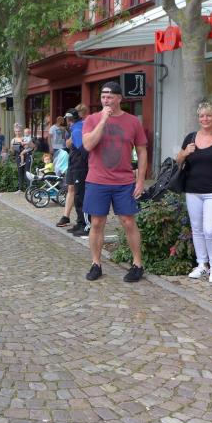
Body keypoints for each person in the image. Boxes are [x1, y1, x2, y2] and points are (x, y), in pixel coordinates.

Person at [82, 82, 147, 282]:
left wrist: (140, 180)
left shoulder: (133, 121)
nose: (106, 100)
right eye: (103, 97)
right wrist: (103, 120)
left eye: (110, 97)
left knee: (128, 222)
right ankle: (96, 264)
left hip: (124, 181)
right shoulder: (92, 119)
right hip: (97, 180)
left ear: (119, 98)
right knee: (97, 222)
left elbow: (142, 151)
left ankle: (137, 264)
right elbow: (88, 145)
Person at [175, 101, 212, 284]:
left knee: (211, 229)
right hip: (193, 190)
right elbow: (178, 161)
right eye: (201, 116)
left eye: (208, 115)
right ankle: (201, 264)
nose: (205, 119)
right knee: (197, 229)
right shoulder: (191, 137)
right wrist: (185, 153)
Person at [56, 106, 90, 234]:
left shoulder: (77, 129)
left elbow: (84, 150)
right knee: (77, 195)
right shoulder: (75, 128)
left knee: (80, 195)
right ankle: (80, 222)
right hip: (75, 164)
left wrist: (87, 164)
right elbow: (70, 144)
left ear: (70, 119)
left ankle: (84, 224)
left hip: (80, 166)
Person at [11, 124, 32, 192]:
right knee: (20, 173)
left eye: (19, 131)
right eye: (16, 131)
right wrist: (12, 149)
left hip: (27, 156)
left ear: (21, 131)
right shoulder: (13, 140)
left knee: (27, 173)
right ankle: (20, 189)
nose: (18, 132)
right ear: (14, 132)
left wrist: (29, 145)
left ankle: (29, 189)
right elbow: (12, 151)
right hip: (18, 157)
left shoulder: (25, 138)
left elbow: (33, 146)